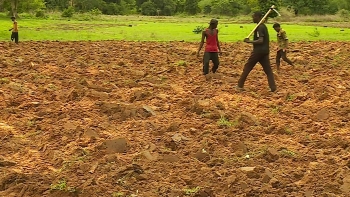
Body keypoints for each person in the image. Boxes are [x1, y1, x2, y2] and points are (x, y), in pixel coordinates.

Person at [237, 11, 276, 92]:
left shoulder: (260, 27)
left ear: (258, 17)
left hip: (258, 51)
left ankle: (240, 85)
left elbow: (260, 40)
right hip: (265, 51)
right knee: (268, 70)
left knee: (247, 67)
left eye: (254, 16)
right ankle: (273, 88)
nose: (252, 18)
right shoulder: (262, 26)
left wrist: (249, 41)